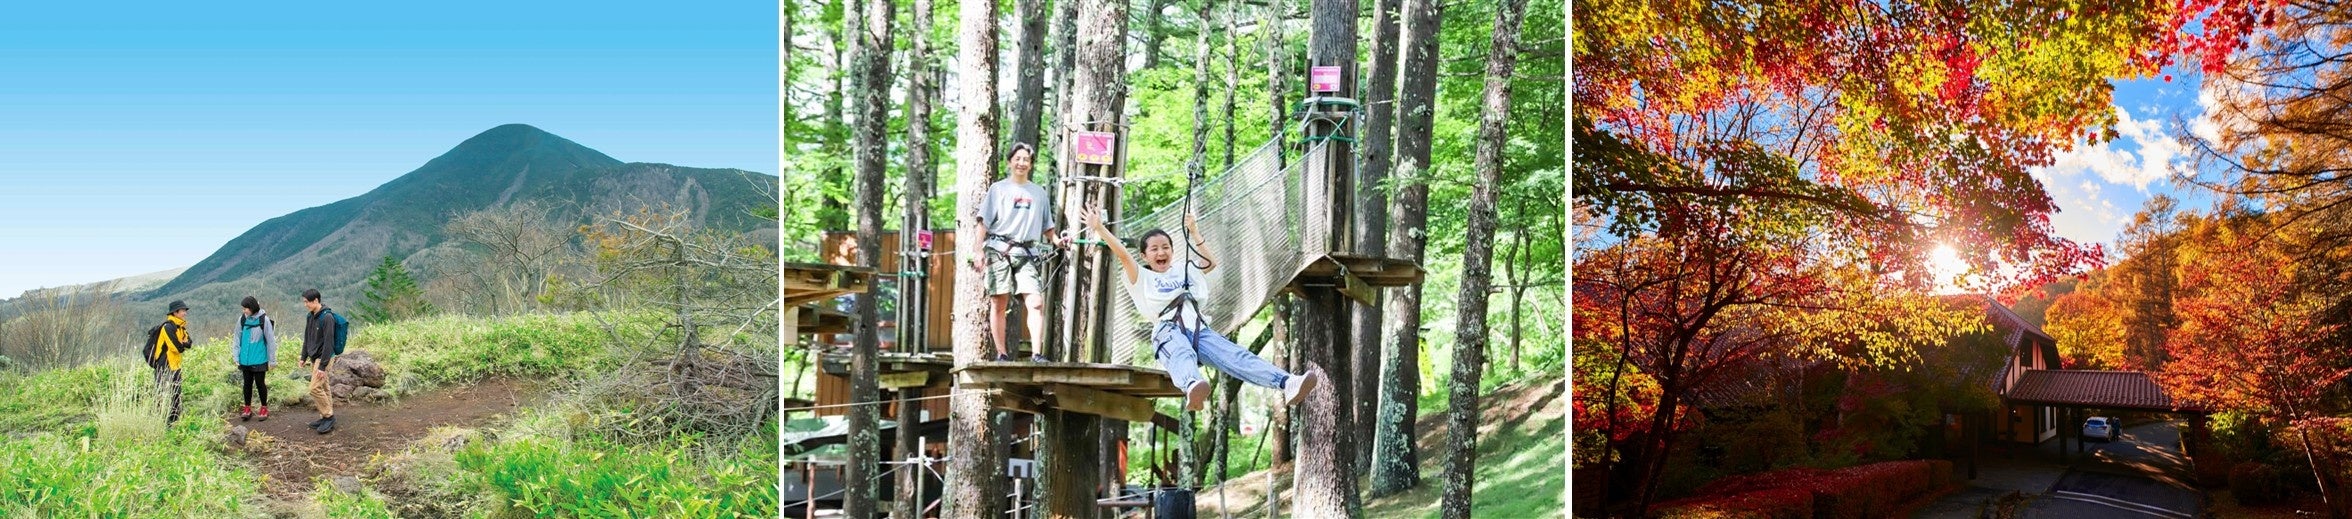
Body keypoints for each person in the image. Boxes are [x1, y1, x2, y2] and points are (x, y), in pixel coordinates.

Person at [1076, 205, 1319, 411]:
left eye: (1166, 247)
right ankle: (1192, 384)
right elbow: (1122, 254)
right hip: (1168, 330)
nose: (1161, 252)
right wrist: (1099, 229)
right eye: (1154, 249)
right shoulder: (1141, 277)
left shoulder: (1184, 269)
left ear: (1172, 251)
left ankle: (1287, 382)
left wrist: (1194, 231)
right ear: (1144, 256)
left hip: (1199, 330)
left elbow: (1210, 263)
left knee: (1237, 357)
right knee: (1182, 353)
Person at [972, 142, 1065, 361]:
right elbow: (983, 222)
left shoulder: (1039, 193)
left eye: (1026, 160)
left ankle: (1036, 353)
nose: (1021, 163)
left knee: (1036, 302)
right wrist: (978, 250)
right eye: (1018, 159)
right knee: (999, 301)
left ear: (1031, 164)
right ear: (1010, 162)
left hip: (1026, 252)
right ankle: (1001, 353)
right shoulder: (998, 189)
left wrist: (1058, 241)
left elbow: (1047, 227)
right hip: (999, 249)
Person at [234, 296, 279, 422]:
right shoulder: (242, 319)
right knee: (247, 384)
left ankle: (264, 408)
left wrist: (272, 360)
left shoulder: (264, 320)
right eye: (243, 309)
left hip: (259, 358)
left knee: (260, 384)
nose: (244, 311)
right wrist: (236, 355)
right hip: (245, 359)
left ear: (252, 308)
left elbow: (270, 341)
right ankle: (247, 408)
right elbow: (237, 338)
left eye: (246, 308)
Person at [301, 289, 339, 434]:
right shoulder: (310, 316)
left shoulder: (327, 317)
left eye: (307, 302)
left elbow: (329, 343)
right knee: (324, 387)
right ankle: (325, 416)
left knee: (314, 388)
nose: (305, 304)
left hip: (324, 357)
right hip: (314, 356)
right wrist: (303, 357)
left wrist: (322, 366)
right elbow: (307, 337)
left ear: (316, 300)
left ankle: (329, 416)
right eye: (304, 302)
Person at [151, 300, 193, 426]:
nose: (185, 313)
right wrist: (183, 344)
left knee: (176, 392)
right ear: (175, 312)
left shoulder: (180, 327)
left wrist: (183, 344)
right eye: (183, 310)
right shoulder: (167, 327)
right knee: (162, 393)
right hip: (164, 364)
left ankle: (174, 419)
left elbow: (189, 343)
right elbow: (177, 347)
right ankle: (159, 420)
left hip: (175, 364)